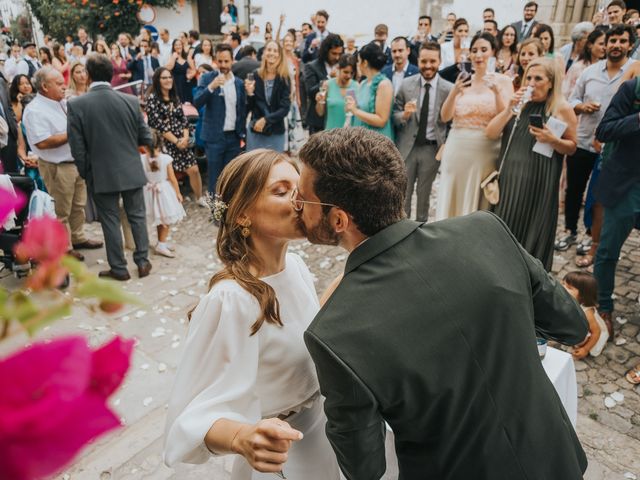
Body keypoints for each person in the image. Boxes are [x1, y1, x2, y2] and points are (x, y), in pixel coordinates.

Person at [295, 126, 589, 479]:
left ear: (339, 219)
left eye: (302, 198)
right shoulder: (485, 230)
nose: (296, 206)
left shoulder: (333, 332)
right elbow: (572, 326)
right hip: (553, 457)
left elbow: (365, 468)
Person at [163, 149, 341, 479]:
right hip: (282, 455)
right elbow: (189, 417)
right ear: (244, 214)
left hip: (324, 434)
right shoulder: (230, 301)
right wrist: (242, 437)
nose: (299, 199)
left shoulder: (296, 266)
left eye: (298, 187)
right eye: (281, 190)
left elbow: (303, 328)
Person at [486, 57, 578, 271]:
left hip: (539, 181)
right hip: (510, 180)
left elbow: (572, 147)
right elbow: (491, 132)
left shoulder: (561, 108)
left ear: (551, 83)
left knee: (530, 231)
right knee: (504, 227)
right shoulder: (519, 104)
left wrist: (553, 140)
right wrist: (510, 107)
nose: (532, 83)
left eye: (538, 78)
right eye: (528, 77)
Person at [67, 53, 153, 281]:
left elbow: (78, 148)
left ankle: (119, 268)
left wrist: (87, 173)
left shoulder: (76, 104)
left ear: (89, 74)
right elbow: (146, 137)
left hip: (100, 172)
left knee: (110, 220)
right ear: (111, 73)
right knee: (137, 217)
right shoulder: (130, 101)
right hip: (131, 168)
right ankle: (143, 262)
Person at [561, 25, 636, 273]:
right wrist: (581, 107)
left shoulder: (633, 73)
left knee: (598, 198)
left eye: (622, 41)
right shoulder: (590, 71)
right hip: (584, 140)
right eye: (611, 40)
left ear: (629, 44)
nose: (616, 45)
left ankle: (592, 240)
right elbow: (571, 98)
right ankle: (569, 230)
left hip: (612, 149)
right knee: (574, 189)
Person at [23, 67, 103, 261]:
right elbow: (43, 142)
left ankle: (78, 237)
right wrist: (73, 132)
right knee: (61, 210)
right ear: (44, 86)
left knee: (78, 205)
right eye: (59, 83)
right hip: (57, 166)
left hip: (76, 162)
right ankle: (65, 248)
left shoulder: (62, 102)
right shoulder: (34, 110)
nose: (64, 86)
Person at [437, 33, 513, 220]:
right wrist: (454, 92)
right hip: (456, 147)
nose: (478, 55)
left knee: (477, 198)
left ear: (493, 53)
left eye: (483, 50)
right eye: (474, 50)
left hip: (485, 150)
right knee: (452, 194)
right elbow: (445, 117)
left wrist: (496, 92)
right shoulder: (464, 80)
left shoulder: (503, 81)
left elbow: (506, 116)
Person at [593, 70, 640, 338]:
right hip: (626, 185)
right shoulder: (631, 89)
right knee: (608, 249)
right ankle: (604, 308)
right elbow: (605, 130)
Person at [393, 42, 453, 221]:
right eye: (424, 61)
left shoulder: (448, 89)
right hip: (407, 150)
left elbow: (451, 123)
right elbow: (394, 116)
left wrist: (446, 145)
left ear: (440, 61)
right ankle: (402, 230)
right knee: (403, 195)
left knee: (424, 197)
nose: (428, 66)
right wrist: (404, 114)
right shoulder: (405, 85)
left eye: (432, 61)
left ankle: (420, 230)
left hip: (432, 150)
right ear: (418, 60)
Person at [146, 67, 205, 206]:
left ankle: (199, 198)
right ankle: (171, 203)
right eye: (164, 78)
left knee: (194, 170)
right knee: (167, 176)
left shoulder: (174, 97)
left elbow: (183, 120)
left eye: (169, 77)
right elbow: (159, 125)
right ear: (157, 80)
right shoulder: (153, 99)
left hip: (180, 141)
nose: (168, 80)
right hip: (163, 143)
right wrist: (177, 141)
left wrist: (184, 138)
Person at [194, 44, 246, 195]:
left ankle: (229, 213)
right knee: (215, 179)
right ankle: (216, 215)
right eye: (220, 61)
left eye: (226, 61)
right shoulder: (207, 78)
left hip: (233, 138)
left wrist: (241, 134)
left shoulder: (239, 83)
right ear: (215, 61)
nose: (223, 65)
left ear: (232, 61)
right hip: (214, 137)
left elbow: (242, 109)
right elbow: (197, 101)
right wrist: (211, 87)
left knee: (232, 177)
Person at [141, 130, 185, 258]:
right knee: (165, 219)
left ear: (144, 146)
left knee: (159, 218)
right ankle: (161, 244)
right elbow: (172, 179)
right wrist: (178, 193)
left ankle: (162, 242)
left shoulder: (141, 159)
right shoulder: (166, 159)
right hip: (164, 192)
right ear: (161, 143)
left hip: (149, 192)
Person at [245, 40, 291, 152]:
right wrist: (250, 93)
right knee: (254, 167)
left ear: (280, 55)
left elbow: (285, 109)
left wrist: (266, 119)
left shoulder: (284, 78)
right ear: (264, 53)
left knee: (274, 167)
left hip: (275, 132)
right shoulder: (255, 75)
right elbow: (249, 106)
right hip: (257, 130)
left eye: (275, 51)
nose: (272, 53)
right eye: (269, 49)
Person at [346, 43, 394, 139]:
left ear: (365, 63)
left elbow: (381, 120)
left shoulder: (384, 84)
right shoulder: (363, 83)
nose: (357, 64)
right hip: (361, 139)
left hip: (377, 141)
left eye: (359, 61)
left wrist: (355, 110)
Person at [563, 271, 609, 359]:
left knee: (582, 339)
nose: (563, 288)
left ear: (582, 295)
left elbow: (596, 332)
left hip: (593, 334)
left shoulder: (587, 313)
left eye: (569, 287)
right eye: (563, 284)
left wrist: (585, 349)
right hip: (577, 325)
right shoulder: (568, 299)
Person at [304, 34, 344, 135]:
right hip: (318, 122)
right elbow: (310, 92)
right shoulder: (311, 66)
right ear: (326, 51)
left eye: (339, 53)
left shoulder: (343, 67)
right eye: (334, 53)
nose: (337, 57)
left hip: (339, 121)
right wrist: (329, 78)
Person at [315, 54, 357, 129]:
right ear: (338, 68)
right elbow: (320, 113)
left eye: (352, 73)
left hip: (350, 134)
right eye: (346, 72)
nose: (349, 76)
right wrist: (319, 101)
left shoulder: (356, 86)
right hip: (330, 133)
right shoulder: (328, 84)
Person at [562, 29, 606, 98]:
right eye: (601, 44)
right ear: (590, 45)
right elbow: (565, 93)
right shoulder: (577, 68)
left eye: (606, 44)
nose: (604, 48)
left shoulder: (606, 68)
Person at [166, 38, 196, 104]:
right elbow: (168, 68)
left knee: (187, 105)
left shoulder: (187, 57)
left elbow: (194, 70)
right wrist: (174, 57)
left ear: (182, 46)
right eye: (176, 45)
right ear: (173, 47)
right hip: (176, 84)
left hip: (186, 84)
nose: (178, 46)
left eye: (179, 44)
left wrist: (190, 76)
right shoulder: (171, 57)